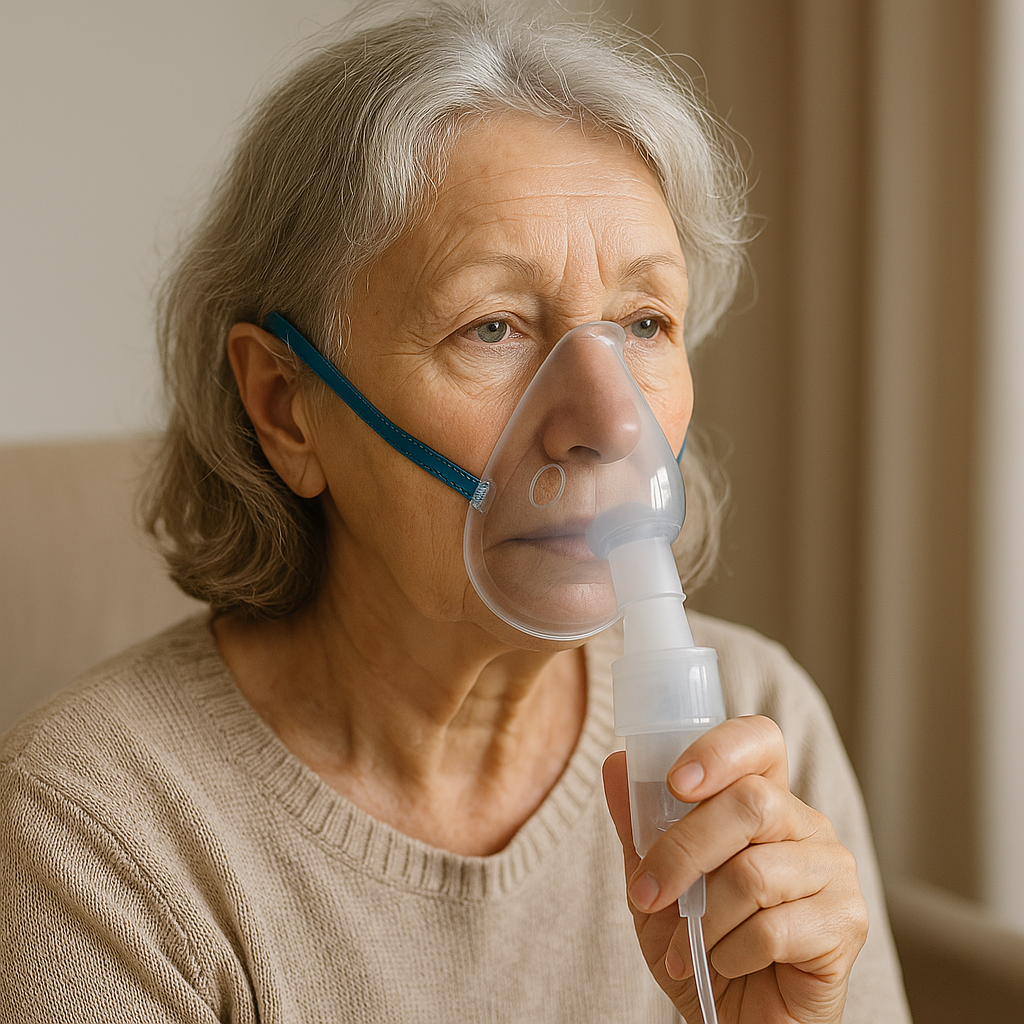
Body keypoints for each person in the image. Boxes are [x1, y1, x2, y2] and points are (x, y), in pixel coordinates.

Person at [0, 3, 911, 1022]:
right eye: (493, 327)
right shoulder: (104, 830)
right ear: (286, 407)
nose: (609, 422)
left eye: (645, 322)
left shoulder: (755, 725)